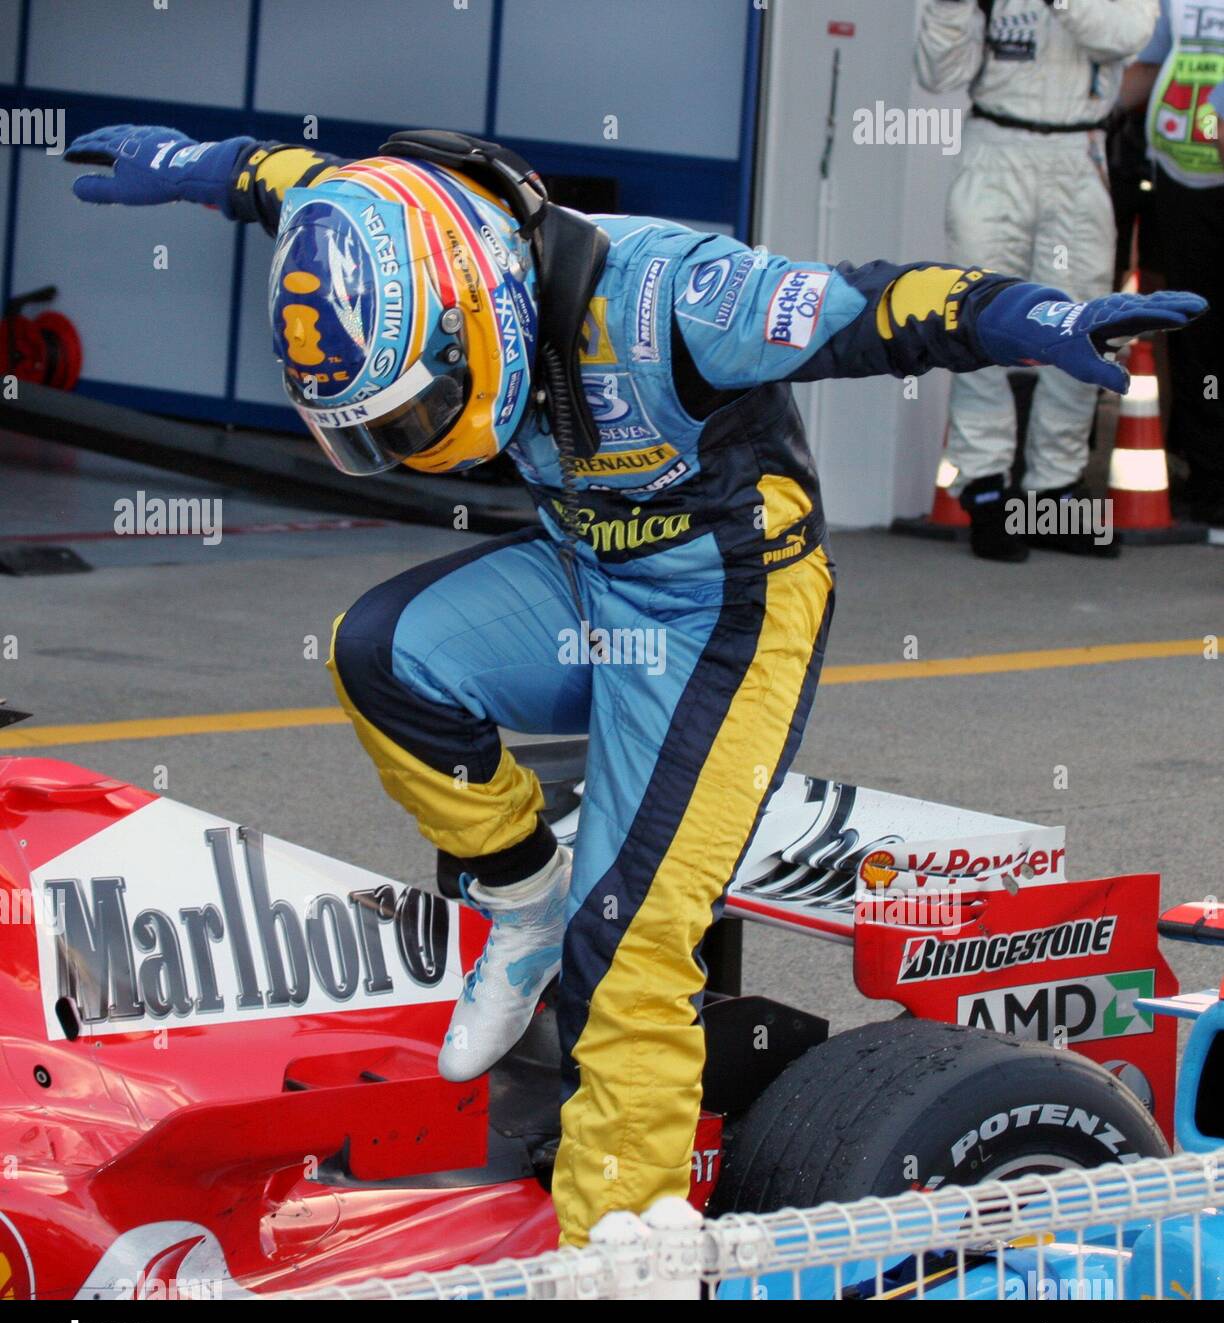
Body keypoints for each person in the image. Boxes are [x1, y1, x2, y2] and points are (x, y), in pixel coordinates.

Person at [64, 122, 1204, 1245]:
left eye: (416, 410)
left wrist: (1043, 318)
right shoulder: (396, 218)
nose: (415, 442)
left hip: (726, 611)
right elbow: (291, 178)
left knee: (630, 947)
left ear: (485, 305)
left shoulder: (681, 298)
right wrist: (186, 166)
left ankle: (622, 1247)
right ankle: (521, 902)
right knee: (381, 653)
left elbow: (881, 307)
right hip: (583, 572)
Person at [917, 0, 1159, 560]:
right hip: (994, 149)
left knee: (1081, 329)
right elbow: (937, 74)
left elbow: (1124, 34)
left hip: (1079, 152)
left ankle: (1053, 495)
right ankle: (984, 491)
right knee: (978, 320)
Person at [1123, 0, 1224, 526]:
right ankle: (1207, 480)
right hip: (1182, 173)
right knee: (1196, 330)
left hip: (1213, 157)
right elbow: (1146, 66)